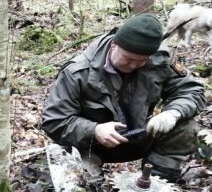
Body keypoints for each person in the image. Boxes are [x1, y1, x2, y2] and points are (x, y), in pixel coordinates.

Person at [41, 14, 206, 182]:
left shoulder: (159, 61)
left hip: (139, 135)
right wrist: (94, 130)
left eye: (142, 61)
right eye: (128, 58)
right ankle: (90, 183)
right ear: (113, 45)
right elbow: (55, 121)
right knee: (79, 181)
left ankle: (155, 185)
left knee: (185, 127)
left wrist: (172, 113)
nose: (134, 65)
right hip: (92, 146)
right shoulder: (78, 72)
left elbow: (192, 91)